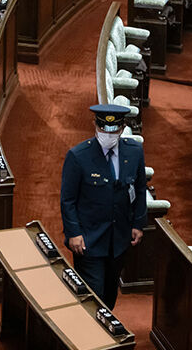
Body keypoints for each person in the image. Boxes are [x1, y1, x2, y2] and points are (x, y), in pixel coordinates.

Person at [59, 104, 147, 308]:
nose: (108, 134)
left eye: (113, 129)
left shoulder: (134, 152)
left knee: (109, 294)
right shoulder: (78, 156)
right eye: (103, 128)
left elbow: (140, 189)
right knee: (93, 297)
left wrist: (138, 224)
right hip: (88, 240)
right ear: (95, 125)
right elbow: (68, 200)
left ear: (122, 128)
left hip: (119, 239)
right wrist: (74, 233)